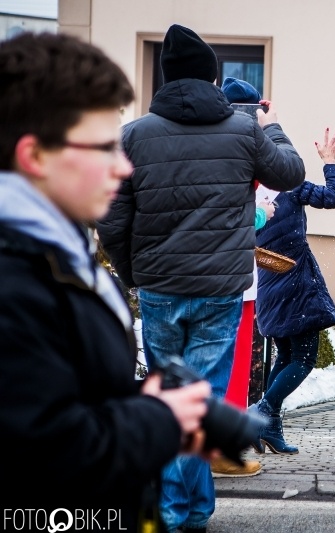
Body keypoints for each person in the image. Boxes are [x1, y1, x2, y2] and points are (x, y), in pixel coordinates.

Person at [95, 24, 305, 533]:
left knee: (171, 400)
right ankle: (186, 513)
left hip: (161, 287)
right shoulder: (244, 131)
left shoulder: (135, 135)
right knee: (203, 401)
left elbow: (111, 220)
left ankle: (180, 511)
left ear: (166, 78)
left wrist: (133, 272)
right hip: (218, 290)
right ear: (213, 77)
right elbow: (292, 173)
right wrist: (271, 126)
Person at [0, 31, 213, 530]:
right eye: (104, 147)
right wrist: (160, 419)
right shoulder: (14, 281)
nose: (123, 166)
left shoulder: (52, 248)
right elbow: (48, 464)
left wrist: (138, 399)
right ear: (36, 156)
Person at [249, 127, 335, 454]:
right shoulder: (289, 183)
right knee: (304, 359)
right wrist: (330, 161)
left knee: (287, 354)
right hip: (296, 284)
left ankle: (269, 428)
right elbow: (334, 197)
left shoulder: (246, 185)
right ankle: (261, 413)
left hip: (268, 279)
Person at [220, 76, 275, 411]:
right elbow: (286, 171)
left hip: (188, 274)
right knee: (236, 364)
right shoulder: (248, 146)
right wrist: (271, 128)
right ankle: (227, 444)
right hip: (237, 275)